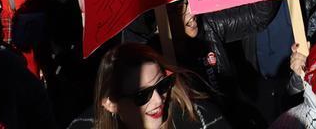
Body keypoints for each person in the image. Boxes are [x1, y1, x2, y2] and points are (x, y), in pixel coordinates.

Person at [68, 42, 231, 128]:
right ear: (111, 104)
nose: (158, 100)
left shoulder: (201, 120)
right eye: (142, 95)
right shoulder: (83, 125)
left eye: (162, 85)